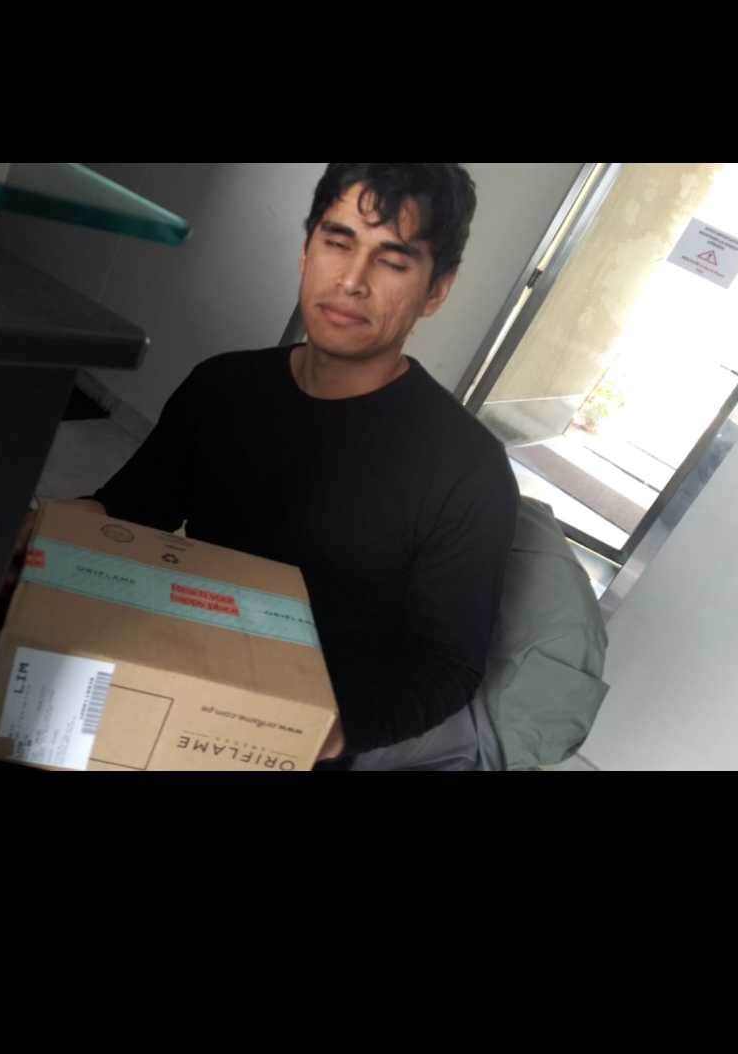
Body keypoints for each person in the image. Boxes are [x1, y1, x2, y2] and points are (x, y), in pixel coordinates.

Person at [85, 163, 519, 771]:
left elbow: (446, 667)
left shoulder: (468, 471)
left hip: (294, 741)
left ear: (436, 290)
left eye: (392, 262)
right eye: (338, 243)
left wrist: (319, 731)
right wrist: (48, 531)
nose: (351, 281)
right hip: (170, 671)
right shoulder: (223, 386)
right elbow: (132, 509)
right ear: (306, 251)